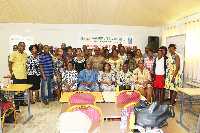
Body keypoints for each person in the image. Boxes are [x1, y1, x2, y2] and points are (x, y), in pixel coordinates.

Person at [9, 42, 28, 110]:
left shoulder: (25, 54)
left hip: (23, 74)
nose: (22, 47)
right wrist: (11, 73)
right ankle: (16, 104)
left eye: (24, 46)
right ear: (18, 46)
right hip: (16, 74)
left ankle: (22, 102)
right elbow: (10, 64)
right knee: (16, 91)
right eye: (21, 46)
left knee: (22, 90)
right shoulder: (14, 54)